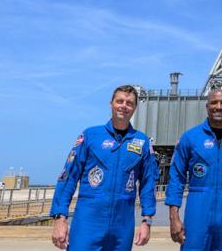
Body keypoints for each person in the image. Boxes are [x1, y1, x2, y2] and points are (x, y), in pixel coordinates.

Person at [50, 85, 157, 251]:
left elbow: (148, 183)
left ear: (135, 107)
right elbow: (68, 177)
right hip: (88, 222)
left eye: (129, 103)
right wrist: (60, 217)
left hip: (122, 226)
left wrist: (147, 220)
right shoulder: (90, 136)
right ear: (111, 104)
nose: (124, 106)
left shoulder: (142, 142)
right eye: (119, 101)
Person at [166, 88, 222, 251]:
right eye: (214, 102)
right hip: (197, 209)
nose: (219, 107)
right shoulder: (190, 138)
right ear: (207, 106)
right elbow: (176, 178)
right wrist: (174, 217)